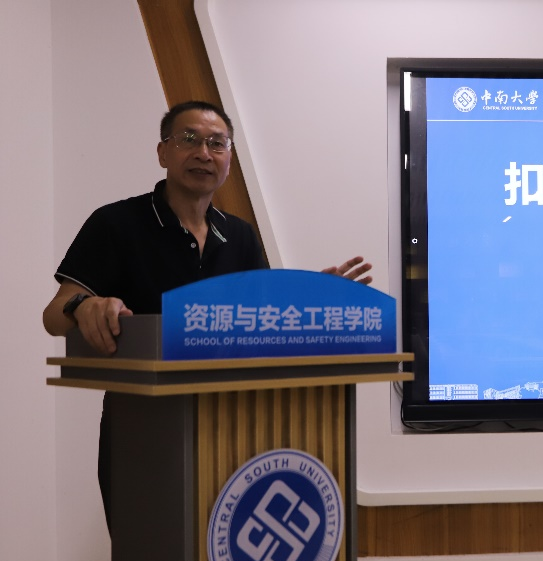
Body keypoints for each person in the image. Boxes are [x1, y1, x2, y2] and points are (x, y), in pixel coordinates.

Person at [43, 100, 372, 532]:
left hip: (231, 426)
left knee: (221, 550)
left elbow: (260, 320)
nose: (204, 153)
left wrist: (308, 299)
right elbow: (55, 315)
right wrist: (84, 305)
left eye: (217, 144)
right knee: (147, 547)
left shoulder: (239, 235)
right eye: (189, 140)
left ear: (229, 159)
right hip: (142, 426)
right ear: (163, 152)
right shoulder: (116, 224)